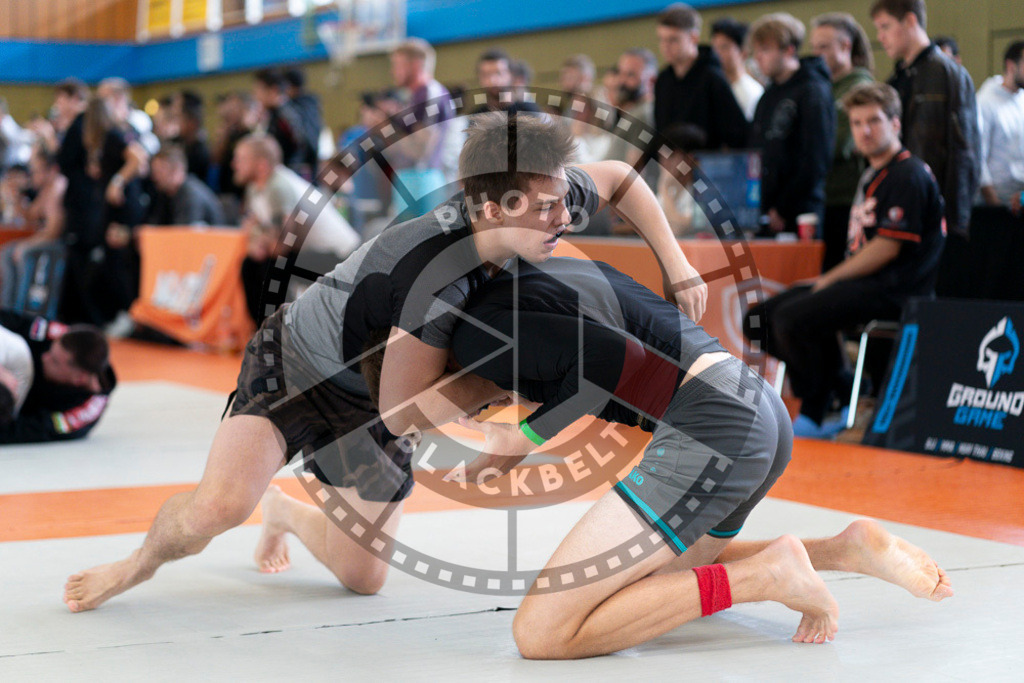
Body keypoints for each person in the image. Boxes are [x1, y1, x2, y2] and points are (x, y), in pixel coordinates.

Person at [62, 111, 708, 612]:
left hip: (375, 386)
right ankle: (136, 563)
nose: (563, 217)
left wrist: (677, 266)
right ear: (490, 208)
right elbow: (402, 414)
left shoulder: (536, 199)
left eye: (564, 201)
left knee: (362, 577)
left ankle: (287, 510)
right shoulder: (431, 272)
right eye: (547, 208)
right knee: (220, 507)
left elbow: (622, 179)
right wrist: (502, 416)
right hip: (298, 365)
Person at [438, 255, 952, 658]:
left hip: (714, 425)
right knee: (649, 590)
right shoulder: (549, 277)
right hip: (755, 408)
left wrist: (523, 436)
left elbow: (608, 360)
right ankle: (842, 550)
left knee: (542, 632)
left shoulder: (481, 322)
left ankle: (765, 575)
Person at [743, 82, 945, 437]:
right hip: (862, 284)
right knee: (758, 319)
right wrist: (828, 283)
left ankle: (817, 408)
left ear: (896, 124)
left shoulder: (908, 173)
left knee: (792, 318)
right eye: (856, 122)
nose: (864, 131)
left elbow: (886, 247)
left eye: (874, 121)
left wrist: (829, 280)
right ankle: (844, 385)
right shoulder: (871, 173)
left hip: (895, 290)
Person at [870, 0, 979, 295]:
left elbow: (961, 155)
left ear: (909, 21)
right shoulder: (902, 77)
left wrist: (954, 221)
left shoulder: (942, 73)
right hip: (904, 213)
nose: (880, 37)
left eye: (885, 27)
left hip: (928, 218)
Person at [232, 133, 360, 325]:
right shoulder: (255, 188)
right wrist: (261, 239)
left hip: (343, 257)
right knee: (250, 265)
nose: (234, 164)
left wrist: (262, 239)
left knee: (272, 268)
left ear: (261, 164)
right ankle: (263, 331)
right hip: (313, 252)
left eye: (241, 159)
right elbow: (252, 234)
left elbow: (281, 246)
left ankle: (275, 334)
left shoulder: (280, 186)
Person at [748, 13, 836, 235]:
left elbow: (816, 158)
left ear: (788, 50)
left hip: (801, 213)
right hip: (766, 212)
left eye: (765, 50)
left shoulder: (813, 90)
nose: (758, 58)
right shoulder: (767, 95)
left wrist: (784, 208)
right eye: (756, 51)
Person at [810, 13, 876, 271]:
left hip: (845, 200)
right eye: (814, 46)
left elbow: (839, 144)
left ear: (846, 46)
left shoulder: (859, 87)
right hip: (824, 197)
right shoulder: (823, 86)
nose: (816, 53)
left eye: (824, 46)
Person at [0, 310, 114, 443]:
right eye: (49, 350)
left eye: (55, 361)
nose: (44, 357)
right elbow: (8, 318)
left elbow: (23, 430)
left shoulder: (82, 412)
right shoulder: (59, 336)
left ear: (79, 378)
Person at [653, 3, 749, 150]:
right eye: (662, 39)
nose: (665, 46)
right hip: (671, 167)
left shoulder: (713, 77)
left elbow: (737, 134)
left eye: (673, 39)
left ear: (693, 38)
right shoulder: (663, 80)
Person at [388, 39, 457, 218]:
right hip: (412, 179)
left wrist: (386, 125)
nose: (393, 71)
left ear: (416, 64)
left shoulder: (429, 93)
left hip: (424, 180)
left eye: (397, 65)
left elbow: (420, 152)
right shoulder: (414, 97)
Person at [1, 148, 67, 309]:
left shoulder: (57, 187)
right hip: (47, 240)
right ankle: (6, 307)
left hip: (60, 244)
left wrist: (27, 244)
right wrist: (15, 198)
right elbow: (30, 216)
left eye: (36, 171)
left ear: (51, 170)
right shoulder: (46, 189)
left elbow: (54, 231)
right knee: (7, 251)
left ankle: (22, 309)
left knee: (23, 252)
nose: (32, 176)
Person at [975, 40, 1024, 211]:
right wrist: (995, 206)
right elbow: (978, 158)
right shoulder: (985, 101)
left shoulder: (1022, 98)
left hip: (1021, 200)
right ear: (1011, 66)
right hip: (997, 203)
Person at [252, 68, 310, 178]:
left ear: (273, 90)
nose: (256, 97)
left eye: (258, 91)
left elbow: (299, 147)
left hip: (290, 176)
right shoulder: (275, 114)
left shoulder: (285, 116)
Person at [147, 145, 224, 226]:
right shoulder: (165, 193)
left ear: (176, 169)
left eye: (160, 171)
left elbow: (184, 234)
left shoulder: (191, 195)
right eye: (154, 171)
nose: (155, 176)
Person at [710, 18, 764, 121]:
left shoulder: (752, 92)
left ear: (743, 53)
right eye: (715, 48)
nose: (717, 54)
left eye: (724, 47)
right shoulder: (714, 88)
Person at [472, 49, 544, 116]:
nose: (493, 80)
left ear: (511, 75)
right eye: (486, 75)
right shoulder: (476, 116)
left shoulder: (528, 112)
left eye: (499, 73)